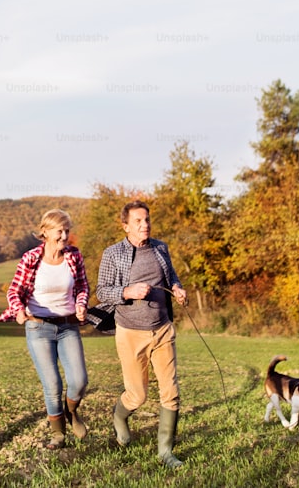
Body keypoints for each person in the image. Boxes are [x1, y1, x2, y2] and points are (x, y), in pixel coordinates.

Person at [95, 200, 188, 468]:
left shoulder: (161, 248)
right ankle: (120, 417)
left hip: (162, 329)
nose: (144, 224)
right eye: (137, 221)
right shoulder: (113, 253)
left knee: (170, 391)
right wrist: (127, 292)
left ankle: (165, 452)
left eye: (146, 219)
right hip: (130, 333)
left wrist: (178, 289)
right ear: (126, 226)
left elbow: (172, 277)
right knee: (137, 395)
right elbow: (102, 291)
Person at [0, 208, 90, 449]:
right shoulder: (30, 258)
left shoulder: (74, 256)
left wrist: (81, 305)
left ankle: (72, 413)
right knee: (53, 385)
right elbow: (14, 291)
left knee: (79, 381)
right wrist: (18, 310)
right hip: (39, 328)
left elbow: (82, 287)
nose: (64, 236)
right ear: (45, 232)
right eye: (59, 231)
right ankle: (58, 434)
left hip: (68, 325)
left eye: (67, 231)